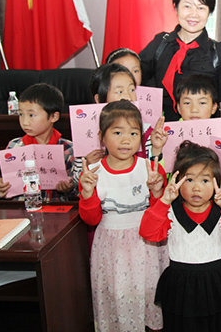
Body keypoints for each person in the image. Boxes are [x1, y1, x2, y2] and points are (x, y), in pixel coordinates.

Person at [139, 141, 221, 332]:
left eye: (205, 181)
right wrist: (164, 200)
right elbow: (148, 232)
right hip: (180, 286)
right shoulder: (170, 210)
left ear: (217, 182)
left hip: (217, 283)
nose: (196, 188)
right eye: (189, 180)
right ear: (177, 180)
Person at [78, 100, 168, 331]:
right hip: (111, 249)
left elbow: (161, 212)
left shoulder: (150, 168)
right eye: (117, 132)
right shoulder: (93, 173)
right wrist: (87, 193)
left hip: (146, 246)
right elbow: (91, 219)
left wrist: (157, 191)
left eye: (133, 133)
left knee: (149, 294)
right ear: (102, 137)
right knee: (117, 297)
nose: (126, 140)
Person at [139, 0, 221, 123]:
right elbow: (135, 80)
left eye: (201, 8)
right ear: (176, 7)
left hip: (203, 132)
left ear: (209, 12)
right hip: (162, 130)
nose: (193, 14)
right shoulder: (160, 44)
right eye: (187, 6)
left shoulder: (219, 53)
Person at [0, 83, 77, 201]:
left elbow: (78, 190)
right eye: (21, 114)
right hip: (21, 209)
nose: (25, 122)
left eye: (31, 115)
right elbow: (4, 181)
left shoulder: (68, 149)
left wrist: (70, 187)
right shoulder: (15, 146)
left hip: (55, 209)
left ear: (54, 116)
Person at [89, 63, 164, 161]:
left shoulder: (146, 133)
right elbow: (75, 170)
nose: (128, 97)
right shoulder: (86, 134)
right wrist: (86, 166)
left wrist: (156, 151)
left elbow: (155, 168)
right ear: (99, 99)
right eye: (119, 92)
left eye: (132, 90)